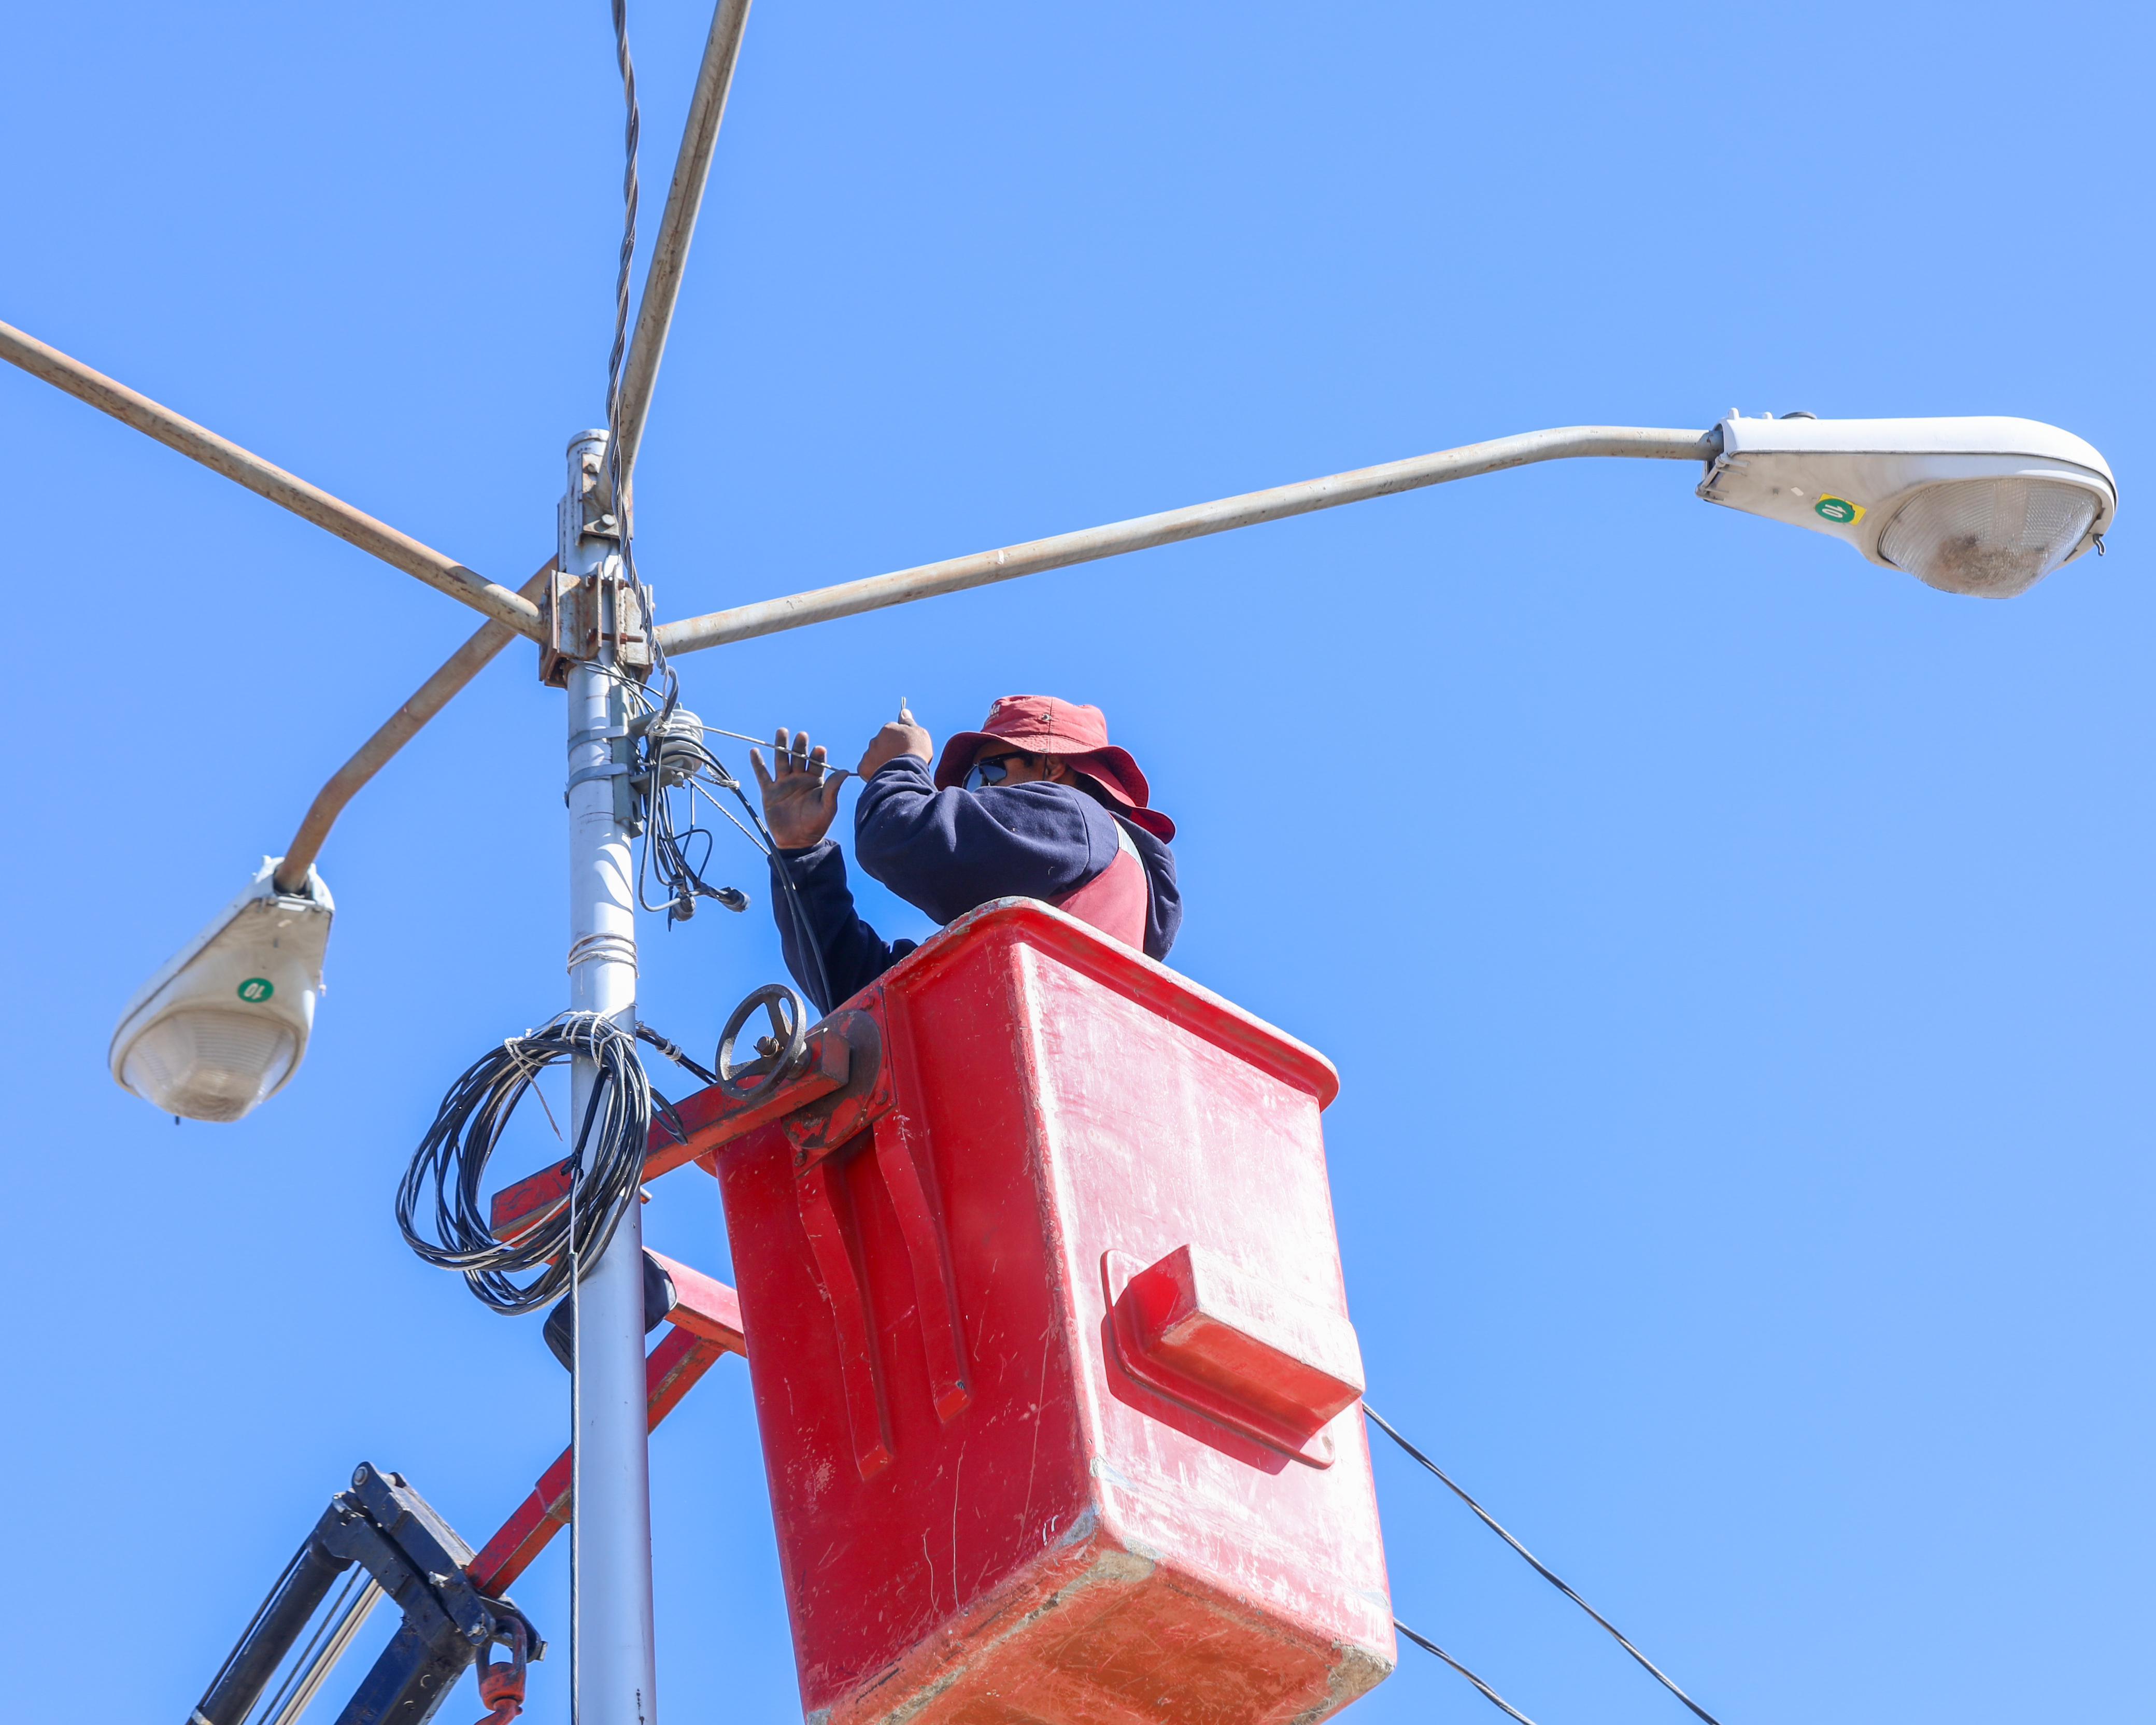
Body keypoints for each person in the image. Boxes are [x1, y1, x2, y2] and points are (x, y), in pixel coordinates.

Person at [750, 695, 1181, 1010]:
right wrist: (800, 856)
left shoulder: (1078, 820)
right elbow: (852, 991)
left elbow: (899, 838)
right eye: (970, 784)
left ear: (1052, 767)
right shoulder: (1025, 917)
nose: (978, 793)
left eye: (989, 772)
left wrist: (899, 766)